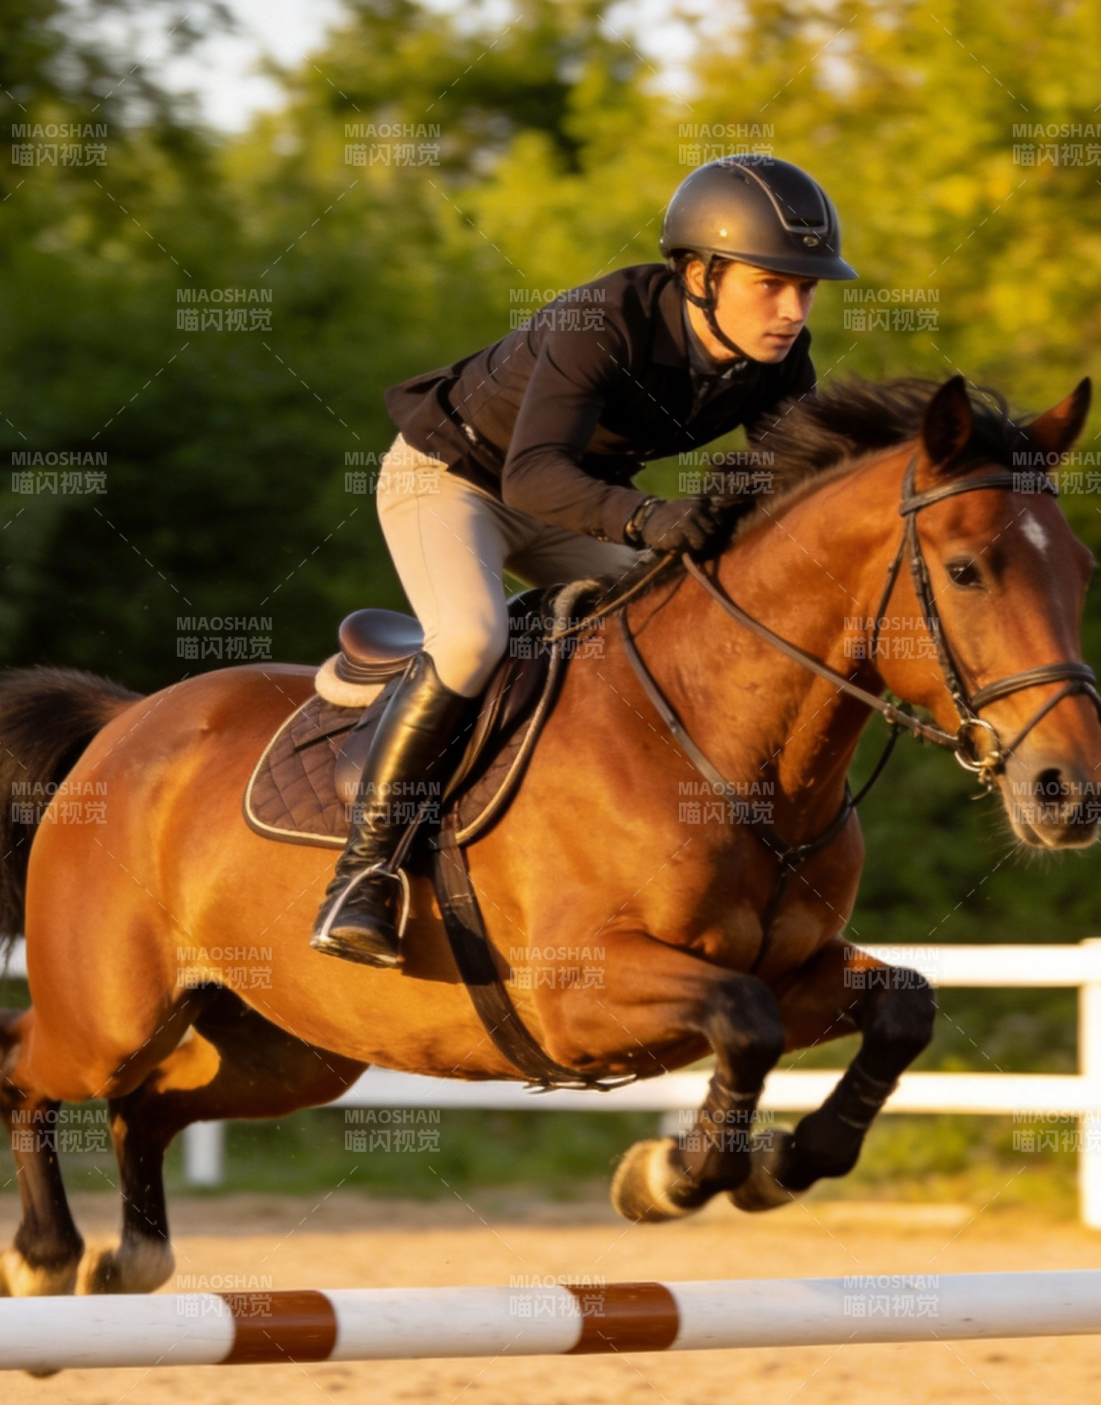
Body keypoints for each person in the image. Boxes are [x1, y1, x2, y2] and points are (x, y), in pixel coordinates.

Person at [310, 154, 860, 967]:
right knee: (470, 638)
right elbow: (530, 475)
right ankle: (363, 874)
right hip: (452, 481)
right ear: (700, 275)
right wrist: (651, 517)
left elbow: (802, 485)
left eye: (805, 289)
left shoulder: (779, 359)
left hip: (570, 501)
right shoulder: (601, 322)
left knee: (678, 629)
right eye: (770, 284)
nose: (791, 311)